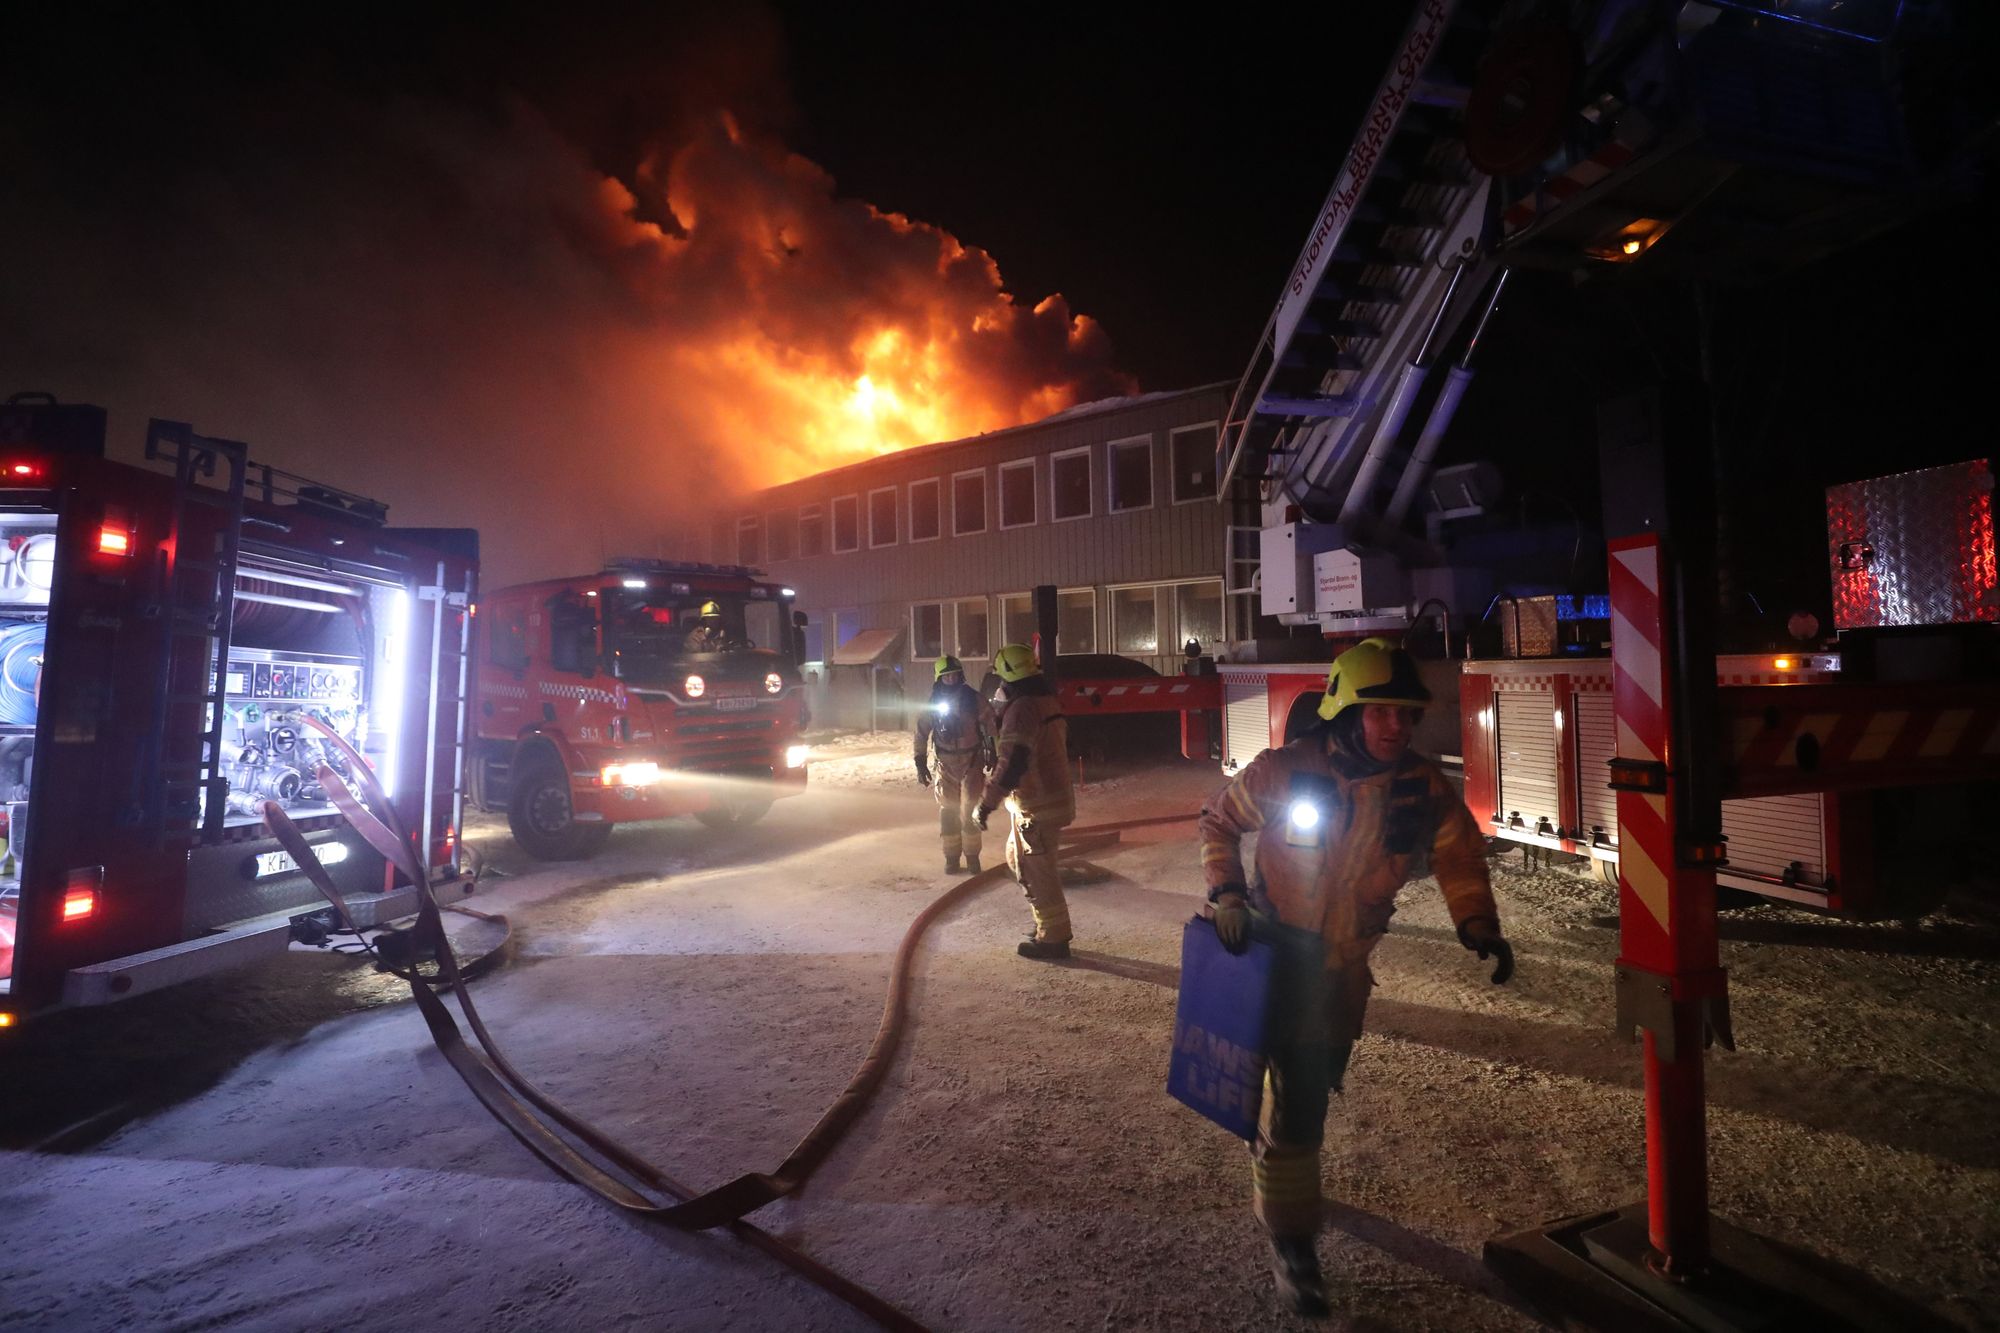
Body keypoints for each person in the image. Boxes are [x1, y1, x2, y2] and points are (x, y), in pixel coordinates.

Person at [1195, 637, 1514, 1316]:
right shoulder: (1284, 771)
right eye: (1382, 712)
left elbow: (1459, 851)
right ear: (1346, 712)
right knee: (1299, 1107)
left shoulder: (1419, 786)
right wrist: (1225, 893)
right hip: (1280, 965)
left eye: (1406, 713)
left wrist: (1477, 920)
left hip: (1343, 979)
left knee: (1311, 1089)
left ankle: (1287, 1171)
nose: (1398, 726)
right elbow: (1219, 822)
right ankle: (1292, 1244)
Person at [973, 644, 1075, 960]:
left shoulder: (1022, 710)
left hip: (1037, 805)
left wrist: (986, 803)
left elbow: (1013, 763)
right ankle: (1046, 925)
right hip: (1050, 799)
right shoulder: (1044, 701)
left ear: (1007, 677)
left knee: (1036, 871)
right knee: (1019, 859)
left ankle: (1053, 939)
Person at [913, 654, 997, 874]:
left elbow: (990, 723)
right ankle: (951, 858)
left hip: (971, 761)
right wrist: (919, 760)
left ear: (960, 675)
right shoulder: (933, 703)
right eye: (946, 676)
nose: (950, 679)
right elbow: (921, 731)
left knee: (971, 809)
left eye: (954, 675)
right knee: (948, 811)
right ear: (939, 679)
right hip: (946, 763)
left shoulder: (973, 699)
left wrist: (994, 750)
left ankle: (972, 857)